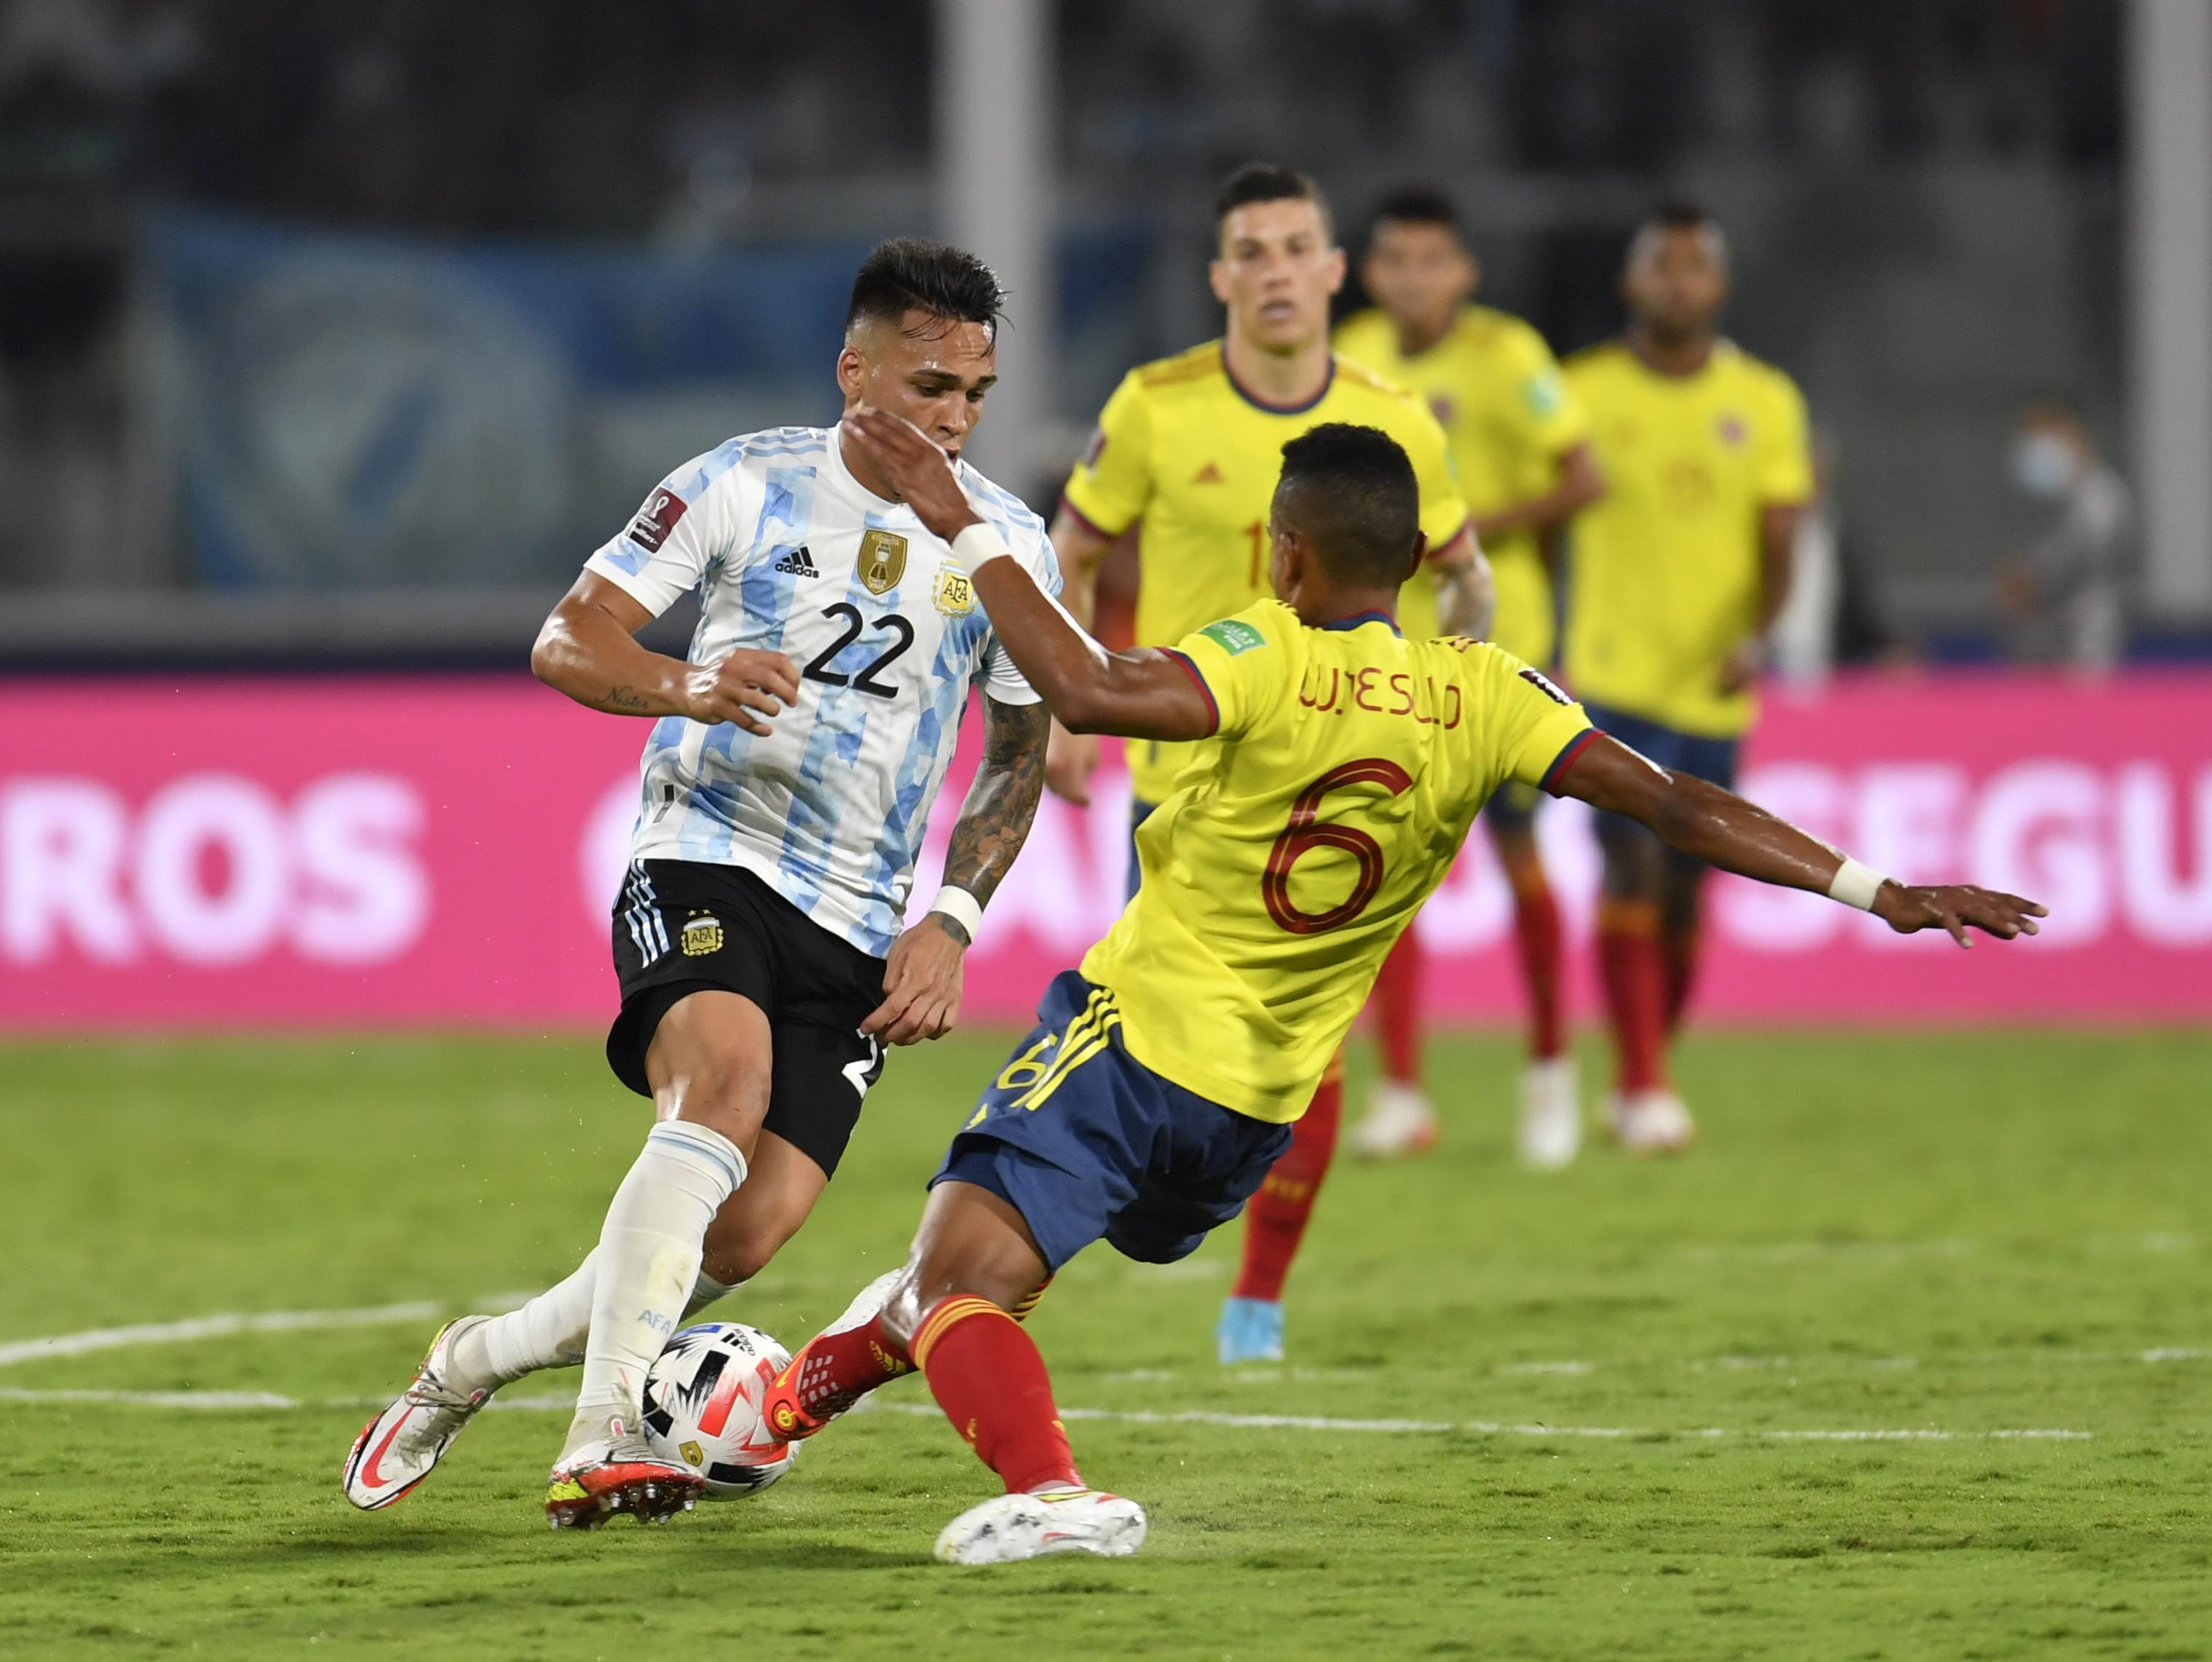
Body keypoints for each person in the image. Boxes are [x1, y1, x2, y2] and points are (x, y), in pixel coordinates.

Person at [763, 411, 2044, 1566]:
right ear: (1418, 556)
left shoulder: (1262, 652)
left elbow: (1088, 688)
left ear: (1284, 556)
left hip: (1134, 1042)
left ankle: (1052, 1494)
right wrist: (1881, 889)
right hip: (1254, 1115)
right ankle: (772, 1412)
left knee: (954, 1285)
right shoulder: (1483, 693)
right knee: (965, 1279)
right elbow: (1673, 803)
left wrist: (963, 521)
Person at [341, 238, 1059, 1529]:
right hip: (708, 849)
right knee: (721, 1093)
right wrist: (688, 683)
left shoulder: (1006, 543)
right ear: (854, 374)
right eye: (929, 385)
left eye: (974, 393)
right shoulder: (743, 482)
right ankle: (603, 1432)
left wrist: (950, 922)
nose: (955, 416)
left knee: (739, 1237)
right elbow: (569, 637)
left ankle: (472, 1360)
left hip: (858, 919)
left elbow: (1017, 751)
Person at [1044, 161, 1493, 1366]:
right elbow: (1069, 551)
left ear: (1335, 269)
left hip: (1327, 780)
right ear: (1219, 277)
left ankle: (1258, 1293)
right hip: (1182, 783)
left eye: (1296, 248)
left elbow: (1468, 574)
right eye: (1251, 251)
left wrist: (1447, 700)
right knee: (1148, 1046)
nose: (1275, 271)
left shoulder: (1397, 419)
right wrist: (1063, 714)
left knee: (1306, 1048)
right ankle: (1103, 1230)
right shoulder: (1154, 406)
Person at [1334, 186, 1604, 1167]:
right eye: (1396, 260)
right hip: (1382, 649)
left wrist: (1462, 533)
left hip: (1498, 645)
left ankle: (1549, 1072)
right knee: (1378, 870)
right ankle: (1401, 1091)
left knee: (1519, 857)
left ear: (1463, 271)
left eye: (1431, 260)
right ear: (1371, 273)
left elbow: (1583, 477)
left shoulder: (1509, 355)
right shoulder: (1349, 354)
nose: (1414, 279)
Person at [1562, 202, 1813, 1155]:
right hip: (1612, 673)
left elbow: (1782, 536)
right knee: (1628, 861)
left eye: (1692, 264)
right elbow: (1542, 516)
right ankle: (1643, 1080)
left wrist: (1758, 632)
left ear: (1719, 284)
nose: (1676, 281)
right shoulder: (1579, 391)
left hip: (1712, 679)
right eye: (1659, 264)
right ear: (1629, 282)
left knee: (1685, 889)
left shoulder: (1765, 400)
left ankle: (1645, 1066)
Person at [1999, 397, 2130, 675]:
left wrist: (2029, 582)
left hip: (2083, 648)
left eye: (2044, 434)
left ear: (2072, 433)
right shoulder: (2049, 498)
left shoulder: (2100, 498)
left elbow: (2071, 561)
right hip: (2039, 646)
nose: (2034, 445)